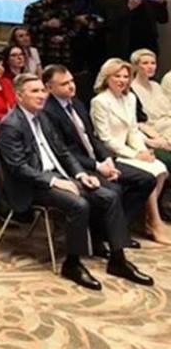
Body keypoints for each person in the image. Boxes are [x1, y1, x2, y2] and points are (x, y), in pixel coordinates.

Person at [0, 74, 154, 288]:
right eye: (34, 91)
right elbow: (18, 168)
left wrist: (81, 175)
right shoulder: (10, 125)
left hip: (58, 175)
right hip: (32, 184)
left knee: (108, 196)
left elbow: (63, 152)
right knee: (78, 204)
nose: (41, 95)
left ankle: (118, 260)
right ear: (19, 96)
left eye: (42, 90)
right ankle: (72, 264)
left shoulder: (42, 117)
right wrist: (54, 182)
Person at [42, 64, 156, 238]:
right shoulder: (48, 112)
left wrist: (106, 158)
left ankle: (114, 231)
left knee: (146, 179)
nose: (71, 86)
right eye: (64, 84)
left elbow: (91, 137)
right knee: (113, 190)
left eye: (71, 81)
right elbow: (65, 152)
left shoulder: (76, 103)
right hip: (77, 166)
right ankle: (107, 236)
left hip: (97, 160)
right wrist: (97, 166)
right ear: (49, 87)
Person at [90, 58, 171, 242]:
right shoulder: (100, 101)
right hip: (112, 154)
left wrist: (143, 151)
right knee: (150, 173)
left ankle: (147, 219)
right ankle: (154, 222)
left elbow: (133, 130)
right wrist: (135, 155)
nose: (122, 80)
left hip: (131, 149)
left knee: (161, 169)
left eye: (125, 76)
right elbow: (105, 139)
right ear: (107, 78)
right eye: (117, 76)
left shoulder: (130, 98)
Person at [105, 0, 169, 59]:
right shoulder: (113, 3)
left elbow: (163, 20)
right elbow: (111, 24)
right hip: (126, 47)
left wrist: (162, 4)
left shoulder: (148, 1)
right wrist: (128, 8)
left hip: (148, 46)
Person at [23, 0, 74, 67]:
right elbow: (26, 30)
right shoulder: (33, 8)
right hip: (43, 53)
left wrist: (64, 37)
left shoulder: (67, 7)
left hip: (63, 54)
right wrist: (45, 25)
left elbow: (75, 28)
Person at [70, 0, 107, 73]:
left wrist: (98, 22)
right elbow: (66, 20)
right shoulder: (71, 2)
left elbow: (108, 21)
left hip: (98, 44)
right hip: (77, 43)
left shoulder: (103, 2)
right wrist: (77, 19)